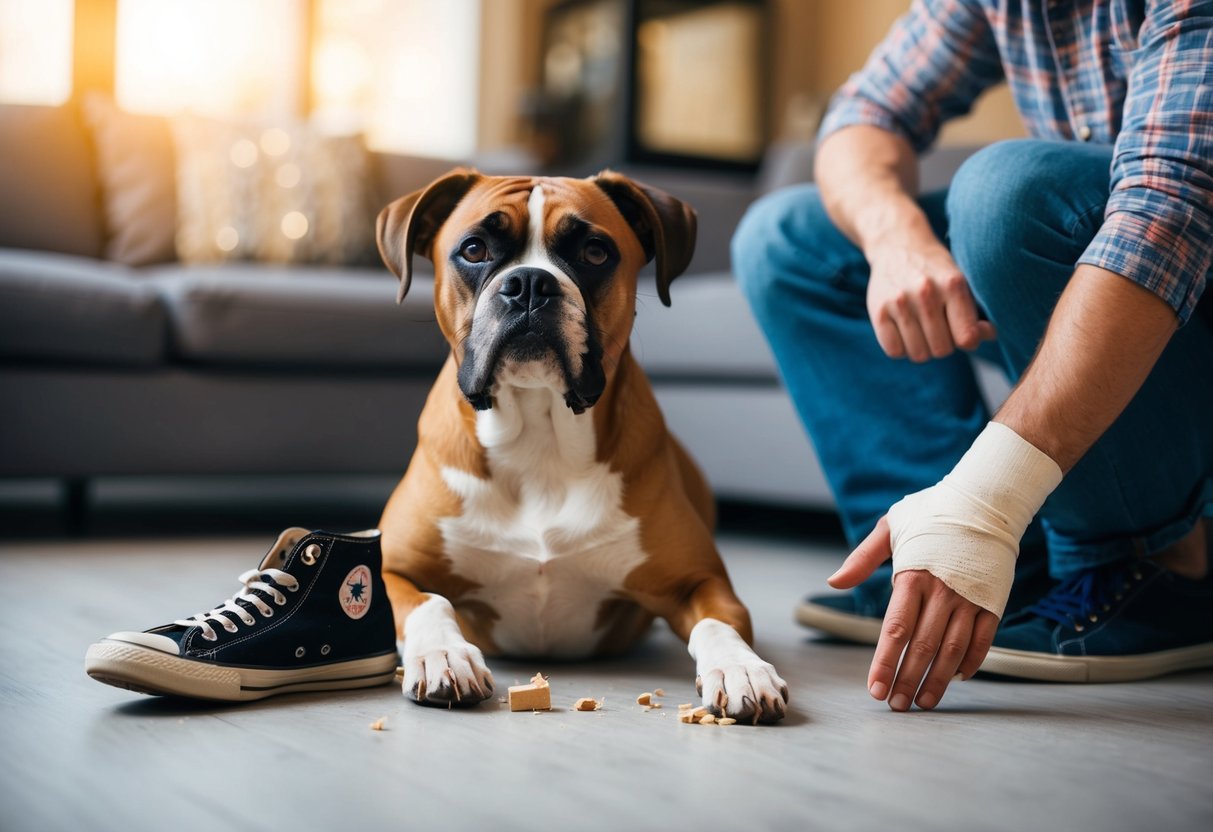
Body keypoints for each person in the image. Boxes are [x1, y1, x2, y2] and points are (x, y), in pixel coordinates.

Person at [732, 0, 1213, 712]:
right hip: (1130, 258)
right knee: (787, 238)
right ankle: (946, 568)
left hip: (1180, 274)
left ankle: (1155, 563)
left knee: (1003, 193)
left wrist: (988, 500)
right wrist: (895, 237)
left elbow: (1165, 215)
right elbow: (861, 116)